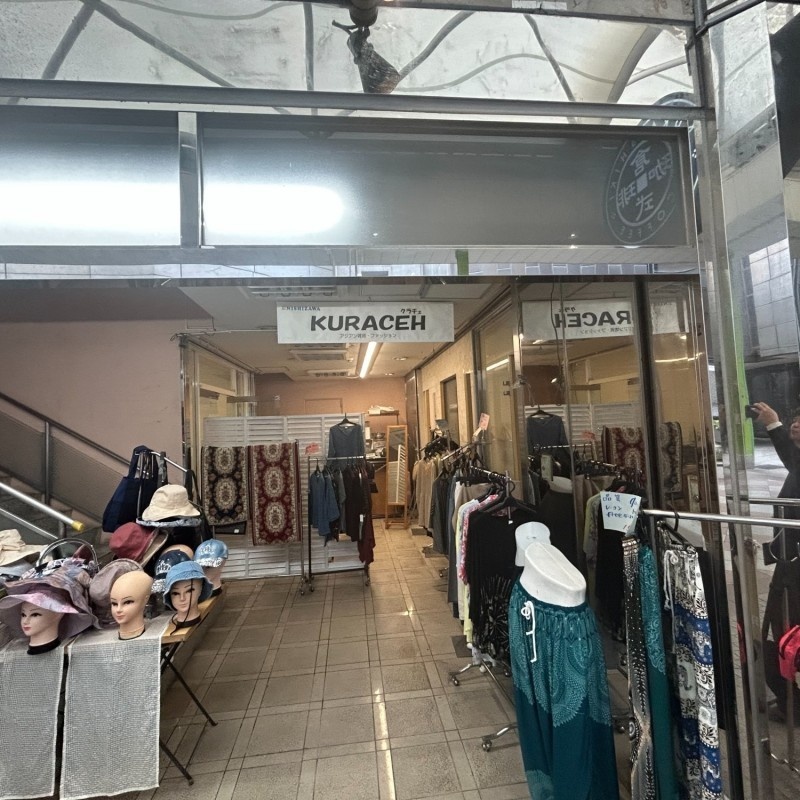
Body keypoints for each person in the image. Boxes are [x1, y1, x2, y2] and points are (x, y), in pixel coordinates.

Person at [750, 401, 800, 720]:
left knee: (790, 629)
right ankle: (788, 697)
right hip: (789, 560)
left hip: (795, 565)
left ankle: (793, 702)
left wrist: (774, 425)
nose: (796, 424)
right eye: (796, 420)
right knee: (784, 627)